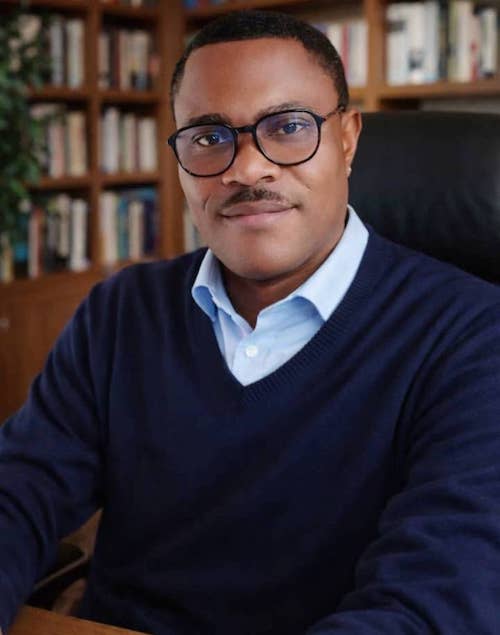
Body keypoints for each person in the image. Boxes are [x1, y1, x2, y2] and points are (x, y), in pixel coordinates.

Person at [1, 9, 500, 635]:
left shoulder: (474, 337)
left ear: (348, 139)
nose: (245, 168)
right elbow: (19, 489)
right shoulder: (122, 310)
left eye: (288, 127)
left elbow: (434, 604)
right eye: (208, 137)